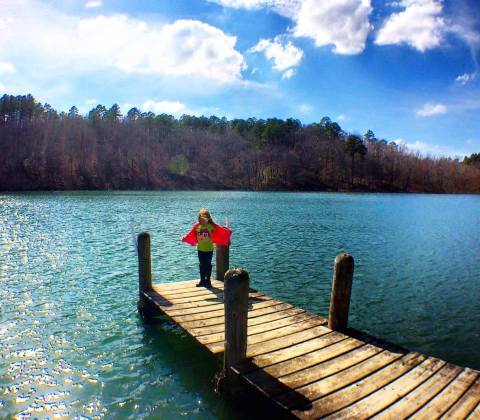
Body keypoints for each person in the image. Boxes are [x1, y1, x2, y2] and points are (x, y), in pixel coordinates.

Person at [182, 208, 231, 288]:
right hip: (200, 249)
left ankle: (208, 280)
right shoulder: (197, 226)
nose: (203, 220)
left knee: (208, 265)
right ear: (199, 218)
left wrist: (228, 235)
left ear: (208, 219)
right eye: (201, 218)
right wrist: (185, 238)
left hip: (209, 249)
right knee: (201, 265)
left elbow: (221, 231)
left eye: (205, 218)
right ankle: (202, 280)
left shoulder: (212, 226)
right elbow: (191, 234)